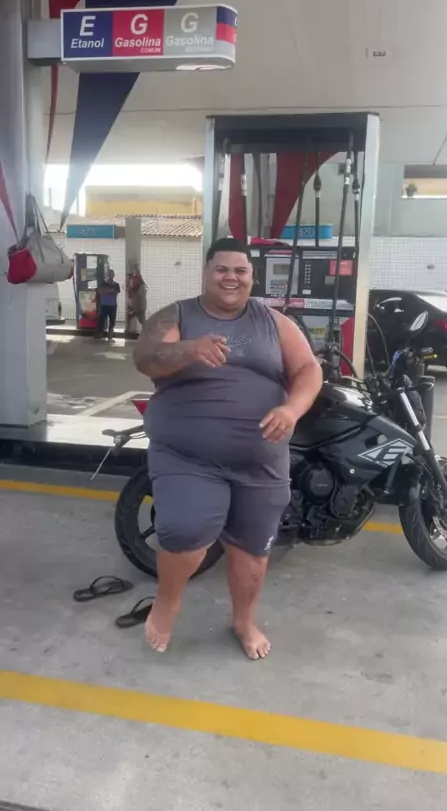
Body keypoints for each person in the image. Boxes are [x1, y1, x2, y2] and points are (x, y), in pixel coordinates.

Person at [133, 236, 323, 660]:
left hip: (261, 459)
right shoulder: (179, 314)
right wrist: (190, 348)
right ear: (206, 272)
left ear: (253, 276)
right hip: (188, 455)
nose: (230, 277)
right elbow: (145, 357)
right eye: (221, 269)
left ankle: (244, 621)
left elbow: (309, 369)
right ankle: (167, 603)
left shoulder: (274, 322)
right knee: (185, 531)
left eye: (240, 270)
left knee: (253, 548)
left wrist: (292, 409)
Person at [96, 269, 120, 340]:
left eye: (111, 274)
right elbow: (100, 291)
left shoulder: (116, 285)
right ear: (107, 275)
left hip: (112, 305)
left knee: (112, 319)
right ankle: (100, 332)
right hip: (104, 305)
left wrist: (107, 291)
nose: (110, 275)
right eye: (109, 274)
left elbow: (116, 293)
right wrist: (110, 291)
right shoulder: (103, 283)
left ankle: (110, 332)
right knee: (101, 319)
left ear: (113, 275)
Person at [126, 269, 147, 333]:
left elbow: (134, 294)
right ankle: (128, 331)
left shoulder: (141, 287)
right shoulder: (137, 287)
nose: (134, 281)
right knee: (131, 317)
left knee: (142, 320)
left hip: (139, 307)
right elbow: (131, 293)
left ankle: (146, 332)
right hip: (136, 307)